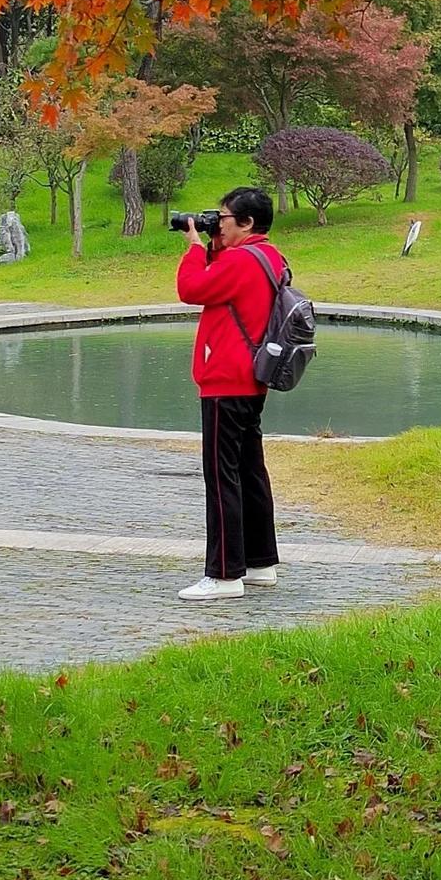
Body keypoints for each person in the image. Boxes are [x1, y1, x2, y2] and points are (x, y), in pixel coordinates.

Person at [175, 186, 285, 601]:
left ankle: (223, 575)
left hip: (225, 379)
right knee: (250, 472)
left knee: (222, 478)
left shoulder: (240, 260)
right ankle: (259, 564)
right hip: (252, 378)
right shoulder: (268, 256)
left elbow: (191, 289)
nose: (213, 224)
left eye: (222, 218)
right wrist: (215, 244)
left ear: (247, 223)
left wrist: (193, 248)